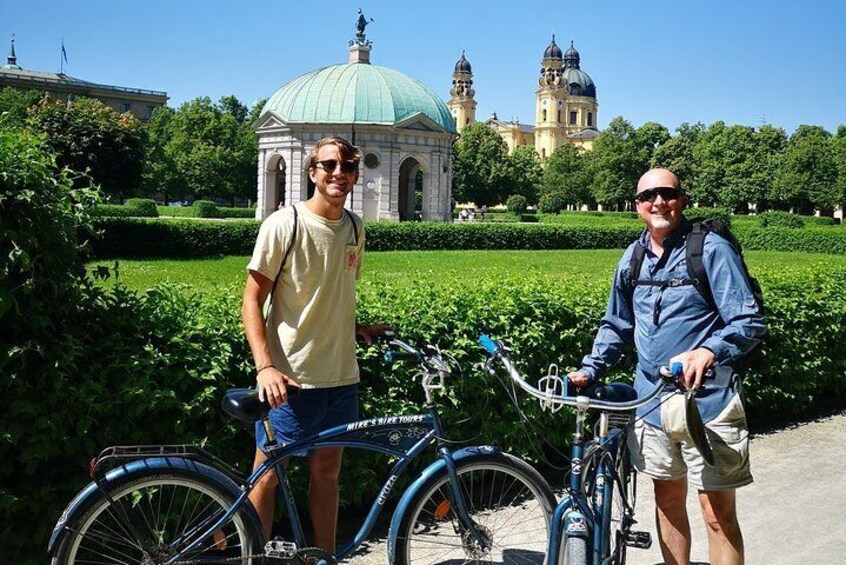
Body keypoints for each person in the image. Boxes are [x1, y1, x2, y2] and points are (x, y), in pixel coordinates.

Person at [568, 168, 765, 565]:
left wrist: (709, 350)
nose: (658, 202)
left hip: (707, 402)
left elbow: (748, 320)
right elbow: (616, 324)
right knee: (667, 502)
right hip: (652, 404)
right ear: (636, 206)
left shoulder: (709, 249)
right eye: (648, 196)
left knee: (717, 514)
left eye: (667, 194)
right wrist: (591, 369)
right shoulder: (633, 256)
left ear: (683, 200)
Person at [242, 136, 387, 553]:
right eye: (329, 165)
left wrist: (357, 328)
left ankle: (325, 559)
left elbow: (329, 293)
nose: (339, 173)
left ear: (356, 175)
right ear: (312, 172)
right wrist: (265, 367)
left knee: (327, 474)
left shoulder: (356, 229)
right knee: (267, 477)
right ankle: (255, 558)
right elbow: (252, 299)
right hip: (290, 379)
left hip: (340, 375)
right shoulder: (284, 224)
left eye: (348, 166)